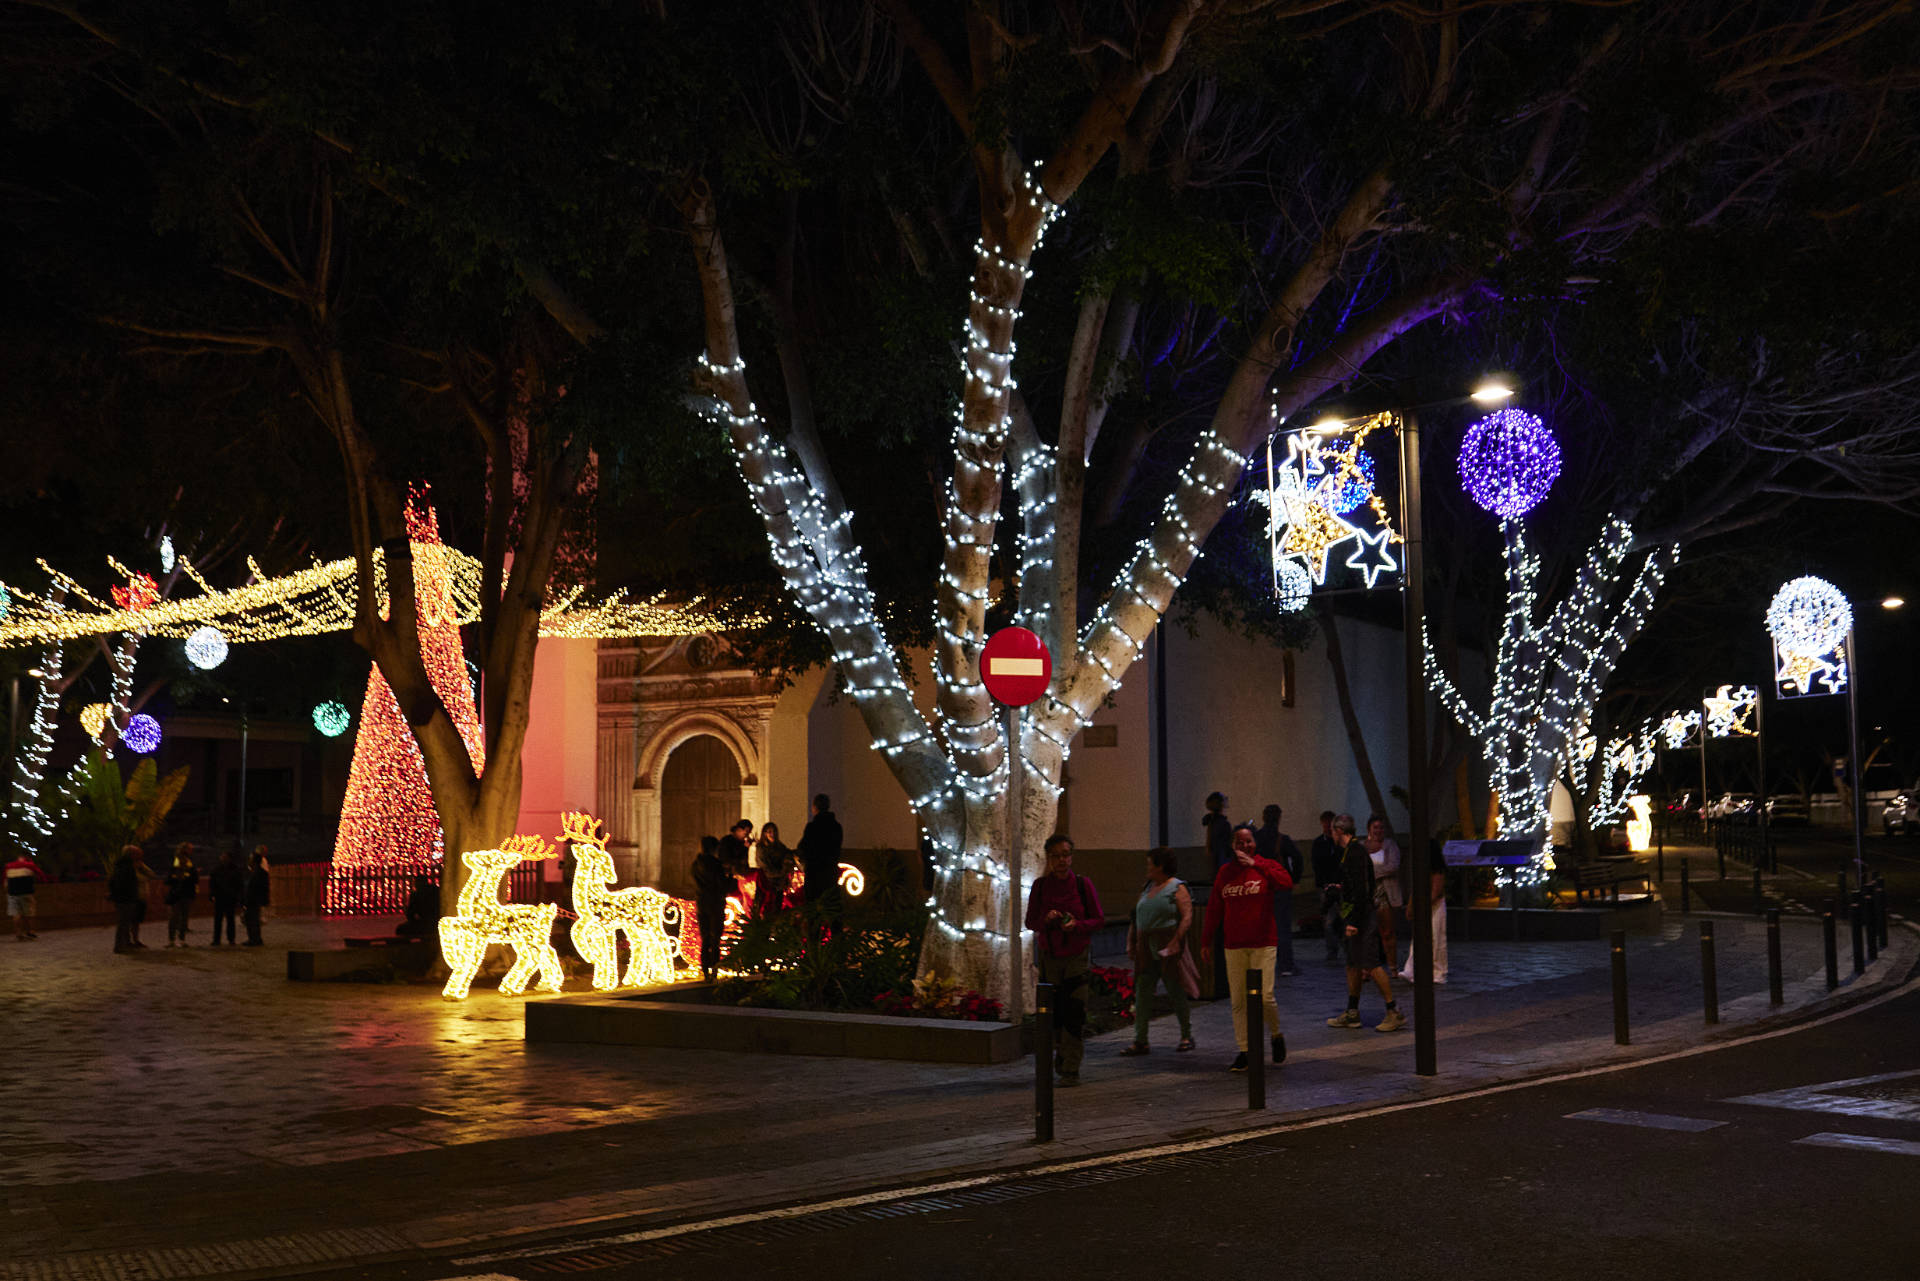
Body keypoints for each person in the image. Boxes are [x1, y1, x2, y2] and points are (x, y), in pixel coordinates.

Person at [1200, 823, 1293, 1072]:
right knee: (1239, 1000)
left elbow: (1286, 882)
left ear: (1255, 843)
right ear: (1232, 846)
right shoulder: (1225, 873)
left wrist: (1256, 865)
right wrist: (1206, 940)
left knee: (1265, 997)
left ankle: (1275, 1034)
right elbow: (1214, 908)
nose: (1245, 846)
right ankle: (1245, 1050)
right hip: (1234, 945)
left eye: (1248, 841)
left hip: (1263, 942)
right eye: (1239, 843)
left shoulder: (1265, 865)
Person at [1024, 833, 1103, 1087]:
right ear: (1048, 858)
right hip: (1050, 958)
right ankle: (1059, 1054)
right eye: (1056, 856)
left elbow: (1098, 919)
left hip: (1076, 956)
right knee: (1053, 1013)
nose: (1062, 861)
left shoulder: (1082, 885)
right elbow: (1030, 922)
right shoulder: (1040, 887)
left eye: (1066, 855)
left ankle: (1071, 1067)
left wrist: (1077, 925)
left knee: (1075, 1010)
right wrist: (1046, 921)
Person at [1325, 814, 1403, 1032]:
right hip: (1354, 914)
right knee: (1352, 964)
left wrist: (1354, 922)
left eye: (1333, 830)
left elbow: (1362, 890)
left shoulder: (1355, 853)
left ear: (1339, 831)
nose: (1331, 834)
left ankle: (1393, 1011)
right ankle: (1352, 1012)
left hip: (1361, 916)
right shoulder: (1351, 852)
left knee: (1370, 963)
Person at [1122, 848, 1196, 1055]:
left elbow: (1187, 916)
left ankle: (1186, 1034)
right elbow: (1136, 916)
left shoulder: (1176, 887)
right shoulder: (1147, 887)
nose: (1147, 867)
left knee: (1175, 988)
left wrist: (1176, 940)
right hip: (1145, 944)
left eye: (1150, 864)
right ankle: (1140, 1039)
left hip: (1166, 941)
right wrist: (1131, 941)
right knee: (1143, 990)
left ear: (1160, 865)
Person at [1254, 804, 1305, 977]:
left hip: (1260, 887)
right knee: (1282, 926)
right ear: (1279, 818)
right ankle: (1286, 965)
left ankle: (1261, 964)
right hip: (1279, 887)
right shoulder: (1282, 839)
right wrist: (1295, 879)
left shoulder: (1256, 837)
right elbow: (1298, 858)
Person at [1399, 844, 1449, 984]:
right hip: (1423, 904)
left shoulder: (1437, 871)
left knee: (1436, 938)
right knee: (1419, 938)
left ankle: (1437, 972)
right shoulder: (1421, 869)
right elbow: (1414, 889)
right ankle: (1412, 969)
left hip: (1435, 906)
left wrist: (1419, 907)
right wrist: (1411, 906)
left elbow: (1436, 892)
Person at [1365, 815, 1404, 975]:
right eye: (1375, 827)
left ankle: (1393, 966)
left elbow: (1393, 866)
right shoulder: (1363, 846)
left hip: (1385, 893)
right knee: (1368, 932)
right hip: (1368, 893)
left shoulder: (1390, 845)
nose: (1378, 831)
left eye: (1381, 827)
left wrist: (1373, 873)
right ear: (1369, 829)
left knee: (1387, 931)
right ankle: (1368, 967)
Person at [798, 794, 844, 913]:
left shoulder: (812, 827)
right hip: (831, 872)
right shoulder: (836, 827)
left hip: (814, 873)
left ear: (815, 807)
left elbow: (803, 847)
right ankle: (836, 931)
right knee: (832, 908)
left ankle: (815, 931)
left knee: (813, 909)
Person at [690, 836, 727, 981]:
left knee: (705, 938)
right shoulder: (716, 864)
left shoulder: (695, 864)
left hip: (702, 902)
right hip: (716, 902)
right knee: (715, 939)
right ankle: (715, 969)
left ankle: (705, 970)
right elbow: (721, 884)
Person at [1310, 810, 1343, 964]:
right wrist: (1323, 884)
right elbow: (1317, 865)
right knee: (1329, 920)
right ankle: (1332, 950)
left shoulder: (1340, 842)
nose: (1328, 827)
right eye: (1325, 823)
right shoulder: (1319, 843)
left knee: (1344, 917)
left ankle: (1348, 947)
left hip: (1341, 885)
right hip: (1325, 886)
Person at [107, 844, 147, 953]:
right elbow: (123, 883)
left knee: (126, 922)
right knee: (123, 923)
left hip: (125, 897)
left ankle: (126, 943)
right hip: (125, 898)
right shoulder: (125, 866)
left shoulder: (123, 865)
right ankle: (120, 946)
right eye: (137, 854)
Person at [5, 851, 47, 941]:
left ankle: (18, 933)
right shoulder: (30, 865)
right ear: (26, 858)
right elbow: (41, 875)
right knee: (29, 913)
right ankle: (31, 931)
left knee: (16, 914)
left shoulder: (8, 866)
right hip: (26, 892)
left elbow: (5, 879)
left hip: (12, 893)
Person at [163, 843, 198, 948]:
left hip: (183, 893)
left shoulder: (189, 864)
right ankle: (173, 939)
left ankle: (178, 939)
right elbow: (168, 879)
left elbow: (194, 879)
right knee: (175, 917)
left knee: (182, 917)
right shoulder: (175, 864)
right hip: (177, 894)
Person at [755, 823, 792, 916]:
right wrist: (781, 872)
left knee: (777, 908)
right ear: (764, 834)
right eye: (770, 832)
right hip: (766, 884)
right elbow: (765, 867)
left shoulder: (780, 847)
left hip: (779, 883)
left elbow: (787, 856)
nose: (772, 834)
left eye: (774, 832)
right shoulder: (761, 848)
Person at [207, 847, 243, 946]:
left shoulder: (234, 870)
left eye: (225, 857)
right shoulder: (217, 869)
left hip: (229, 897)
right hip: (220, 897)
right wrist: (212, 894)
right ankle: (217, 939)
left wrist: (237, 896)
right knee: (218, 920)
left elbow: (239, 884)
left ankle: (230, 938)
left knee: (229, 919)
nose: (223, 858)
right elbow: (212, 884)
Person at [241, 846, 271, 947]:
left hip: (253, 901)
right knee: (253, 920)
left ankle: (254, 939)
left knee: (252, 920)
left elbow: (258, 888)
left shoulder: (259, 873)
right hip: (253, 900)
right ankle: (255, 938)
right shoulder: (256, 872)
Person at [396, 873, 440, 939]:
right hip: (437, 923)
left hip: (425, 924)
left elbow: (410, 914)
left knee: (400, 929)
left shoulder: (416, 895)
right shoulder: (436, 891)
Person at [1201, 791, 1233, 870]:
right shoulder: (1222, 823)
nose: (1226, 799)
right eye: (1224, 798)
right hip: (1222, 863)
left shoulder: (1212, 821)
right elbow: (1223, 846)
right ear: (1220, 803)